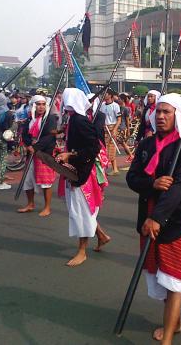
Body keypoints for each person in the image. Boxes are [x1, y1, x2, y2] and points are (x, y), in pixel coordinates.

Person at [127, 93, 181, 343]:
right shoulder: (146, 145)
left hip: (177, 223)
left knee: (175, 280)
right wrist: (153, 183)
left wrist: (157, 217)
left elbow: (179, 188)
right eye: (159, 111)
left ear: (178, 116)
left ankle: (167, 341)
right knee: (160, 276)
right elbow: (132, 179)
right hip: (147, 220)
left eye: (167, 112)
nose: (161, 116)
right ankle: (175, 321)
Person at [56, 88, 108, 266]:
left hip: (82, 172)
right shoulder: (73, 119)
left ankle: (82, 251)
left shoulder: (80, 121)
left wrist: (70, 155)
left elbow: (93, 148)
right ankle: (101, 235)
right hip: (76, 169)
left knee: (81, 212)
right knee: (82, 210)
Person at [17, 95, 57, 217]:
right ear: (34, 106)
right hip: (31, 153)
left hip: (43, 153)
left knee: (45, 182)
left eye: (43, 104)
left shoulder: (50, 119)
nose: (41, 107)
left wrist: (35, 147)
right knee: (28, 180)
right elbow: (24, 134)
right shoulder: (30, 119)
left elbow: (50, 137)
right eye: (38, 104)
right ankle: (30, 204)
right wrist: (29, 145)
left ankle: (47, 207)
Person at [99, 90, 122, 175]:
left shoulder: (115, 106)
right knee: (104, 148)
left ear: (110, 95)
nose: (104, 95)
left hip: (112, 128)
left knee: (111, 149)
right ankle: (113, 169)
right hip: (104, 128)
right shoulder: (101, 105)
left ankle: (113, 169)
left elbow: (119, 119)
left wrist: (115, 129)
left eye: (106, 94)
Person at [115, 97, 134, 162]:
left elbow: (127, 120)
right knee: (121, 143)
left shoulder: (126, 109)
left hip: (122, 128)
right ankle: (131, 155)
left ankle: (131, 155)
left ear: (123, 100)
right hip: (118, 127)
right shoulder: (118, 108)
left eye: (119, 99)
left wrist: (128, 130)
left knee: (121, 143)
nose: (118, 100)